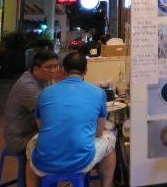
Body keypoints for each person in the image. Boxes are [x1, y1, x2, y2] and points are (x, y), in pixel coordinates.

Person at [26, 52, 116, 187]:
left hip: (43, 164)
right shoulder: (98, 93)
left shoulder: (45, 93)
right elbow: (98, 133)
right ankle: (106, 185)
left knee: (32, 145)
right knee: (110, 139)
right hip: (81, 162)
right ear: (86, 70)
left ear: (64, 70)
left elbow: (41, 127)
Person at [3, 49, 60, 155]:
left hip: (35, 132)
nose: (53, 70)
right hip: (21, 139)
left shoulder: (46, 79)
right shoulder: (27, 86)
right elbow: (49, 113)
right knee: (63, 144)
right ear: (35, 69)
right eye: (48, 67)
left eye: (56, 66)